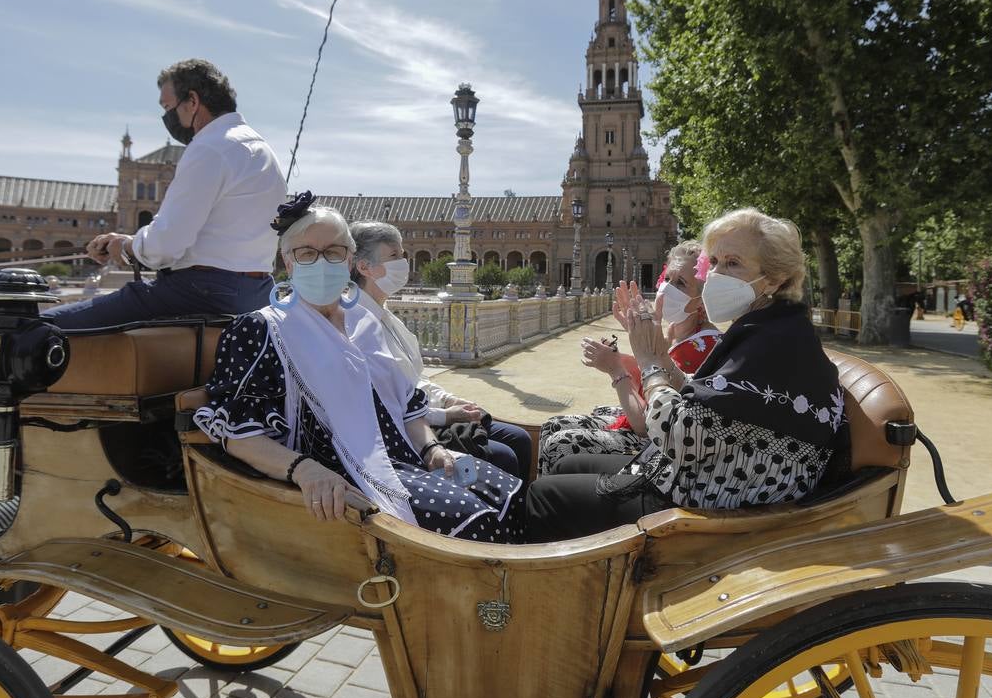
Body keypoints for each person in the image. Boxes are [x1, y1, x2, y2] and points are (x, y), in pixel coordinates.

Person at [192, 194, 523, 541]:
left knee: (504, 490)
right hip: (341, 475)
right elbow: (236, 432)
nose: (321, 262)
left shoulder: (363, 321)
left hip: (404, 459)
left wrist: (432, 449)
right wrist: (304, 470)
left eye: (333, 252)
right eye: (307, 253)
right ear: (288, 263)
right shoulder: (261, 329)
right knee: (476, 519)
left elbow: (408, 407)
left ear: (348, 259)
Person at [524, 208, 847, 542]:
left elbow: (676, 435)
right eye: (716, 262)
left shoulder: (770, 342)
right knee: (565, 466)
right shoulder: (772, 329)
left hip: (713, 502)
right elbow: (708, 399)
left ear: (774, 279)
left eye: (733, 263)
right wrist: (661, 356)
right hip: (707, 476)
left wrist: (650, 363)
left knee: (544, 496)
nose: (717, 275)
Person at [46, 59, 286, 329]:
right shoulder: (264, 151)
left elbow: (166, 246)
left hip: (201, 291)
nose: (168, 117)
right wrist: (131, 241)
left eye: (167, 107)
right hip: (257, 293)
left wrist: (126, 247)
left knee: (43, 326)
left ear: (192, 101)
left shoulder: (210, 147)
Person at [349, 221, 533, 481]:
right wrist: (445, 415)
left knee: (520, 438)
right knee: (505, 454)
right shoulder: (356, 322)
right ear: (363, 266)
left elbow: (415, 379)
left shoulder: (387, 316)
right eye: (393, 255)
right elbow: (388, 404)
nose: (403, 262)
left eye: (402, 254)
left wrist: (448, 399)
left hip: (427, 413)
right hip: (405, 431)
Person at [537, 240, 720, 474]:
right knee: (552, 425)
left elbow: (645, 424)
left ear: (703, 298)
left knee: (559, 443)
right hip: (653, 434)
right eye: (667, 279)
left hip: (658, 450)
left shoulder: (700, 348)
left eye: (681, 283)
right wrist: (630, 352)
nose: (667, 288)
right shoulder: (679, 335)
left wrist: (616, 370)